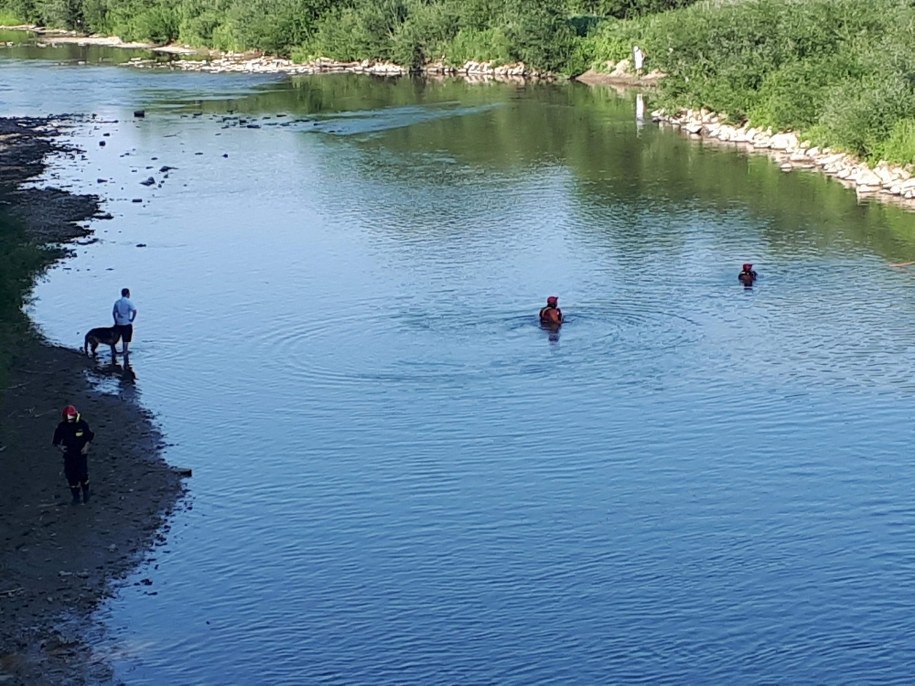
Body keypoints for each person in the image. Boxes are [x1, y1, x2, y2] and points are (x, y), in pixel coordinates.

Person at [52, 405, 95, 505]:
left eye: (71, 417)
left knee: (83, 474)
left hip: (81, 455)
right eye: (67, 418)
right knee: (71, 477)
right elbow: (56, 441)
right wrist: (61, 448)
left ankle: (86, 492)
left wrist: (86, 447)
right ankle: (76, 496)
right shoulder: (62, 427)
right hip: (69, 456)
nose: (69, 419)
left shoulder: (82, 424)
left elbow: (89, 437)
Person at [112, 287, 138, 356]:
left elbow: (114, 312)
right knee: (126, 338)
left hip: (118, 323)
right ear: (128, 294)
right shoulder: (128, 302)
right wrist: (132, 319)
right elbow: (134, 311)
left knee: (116, 337)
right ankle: (125, 351)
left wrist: (115, 320)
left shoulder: (117, 302)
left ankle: (114, 351)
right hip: (126, 323)